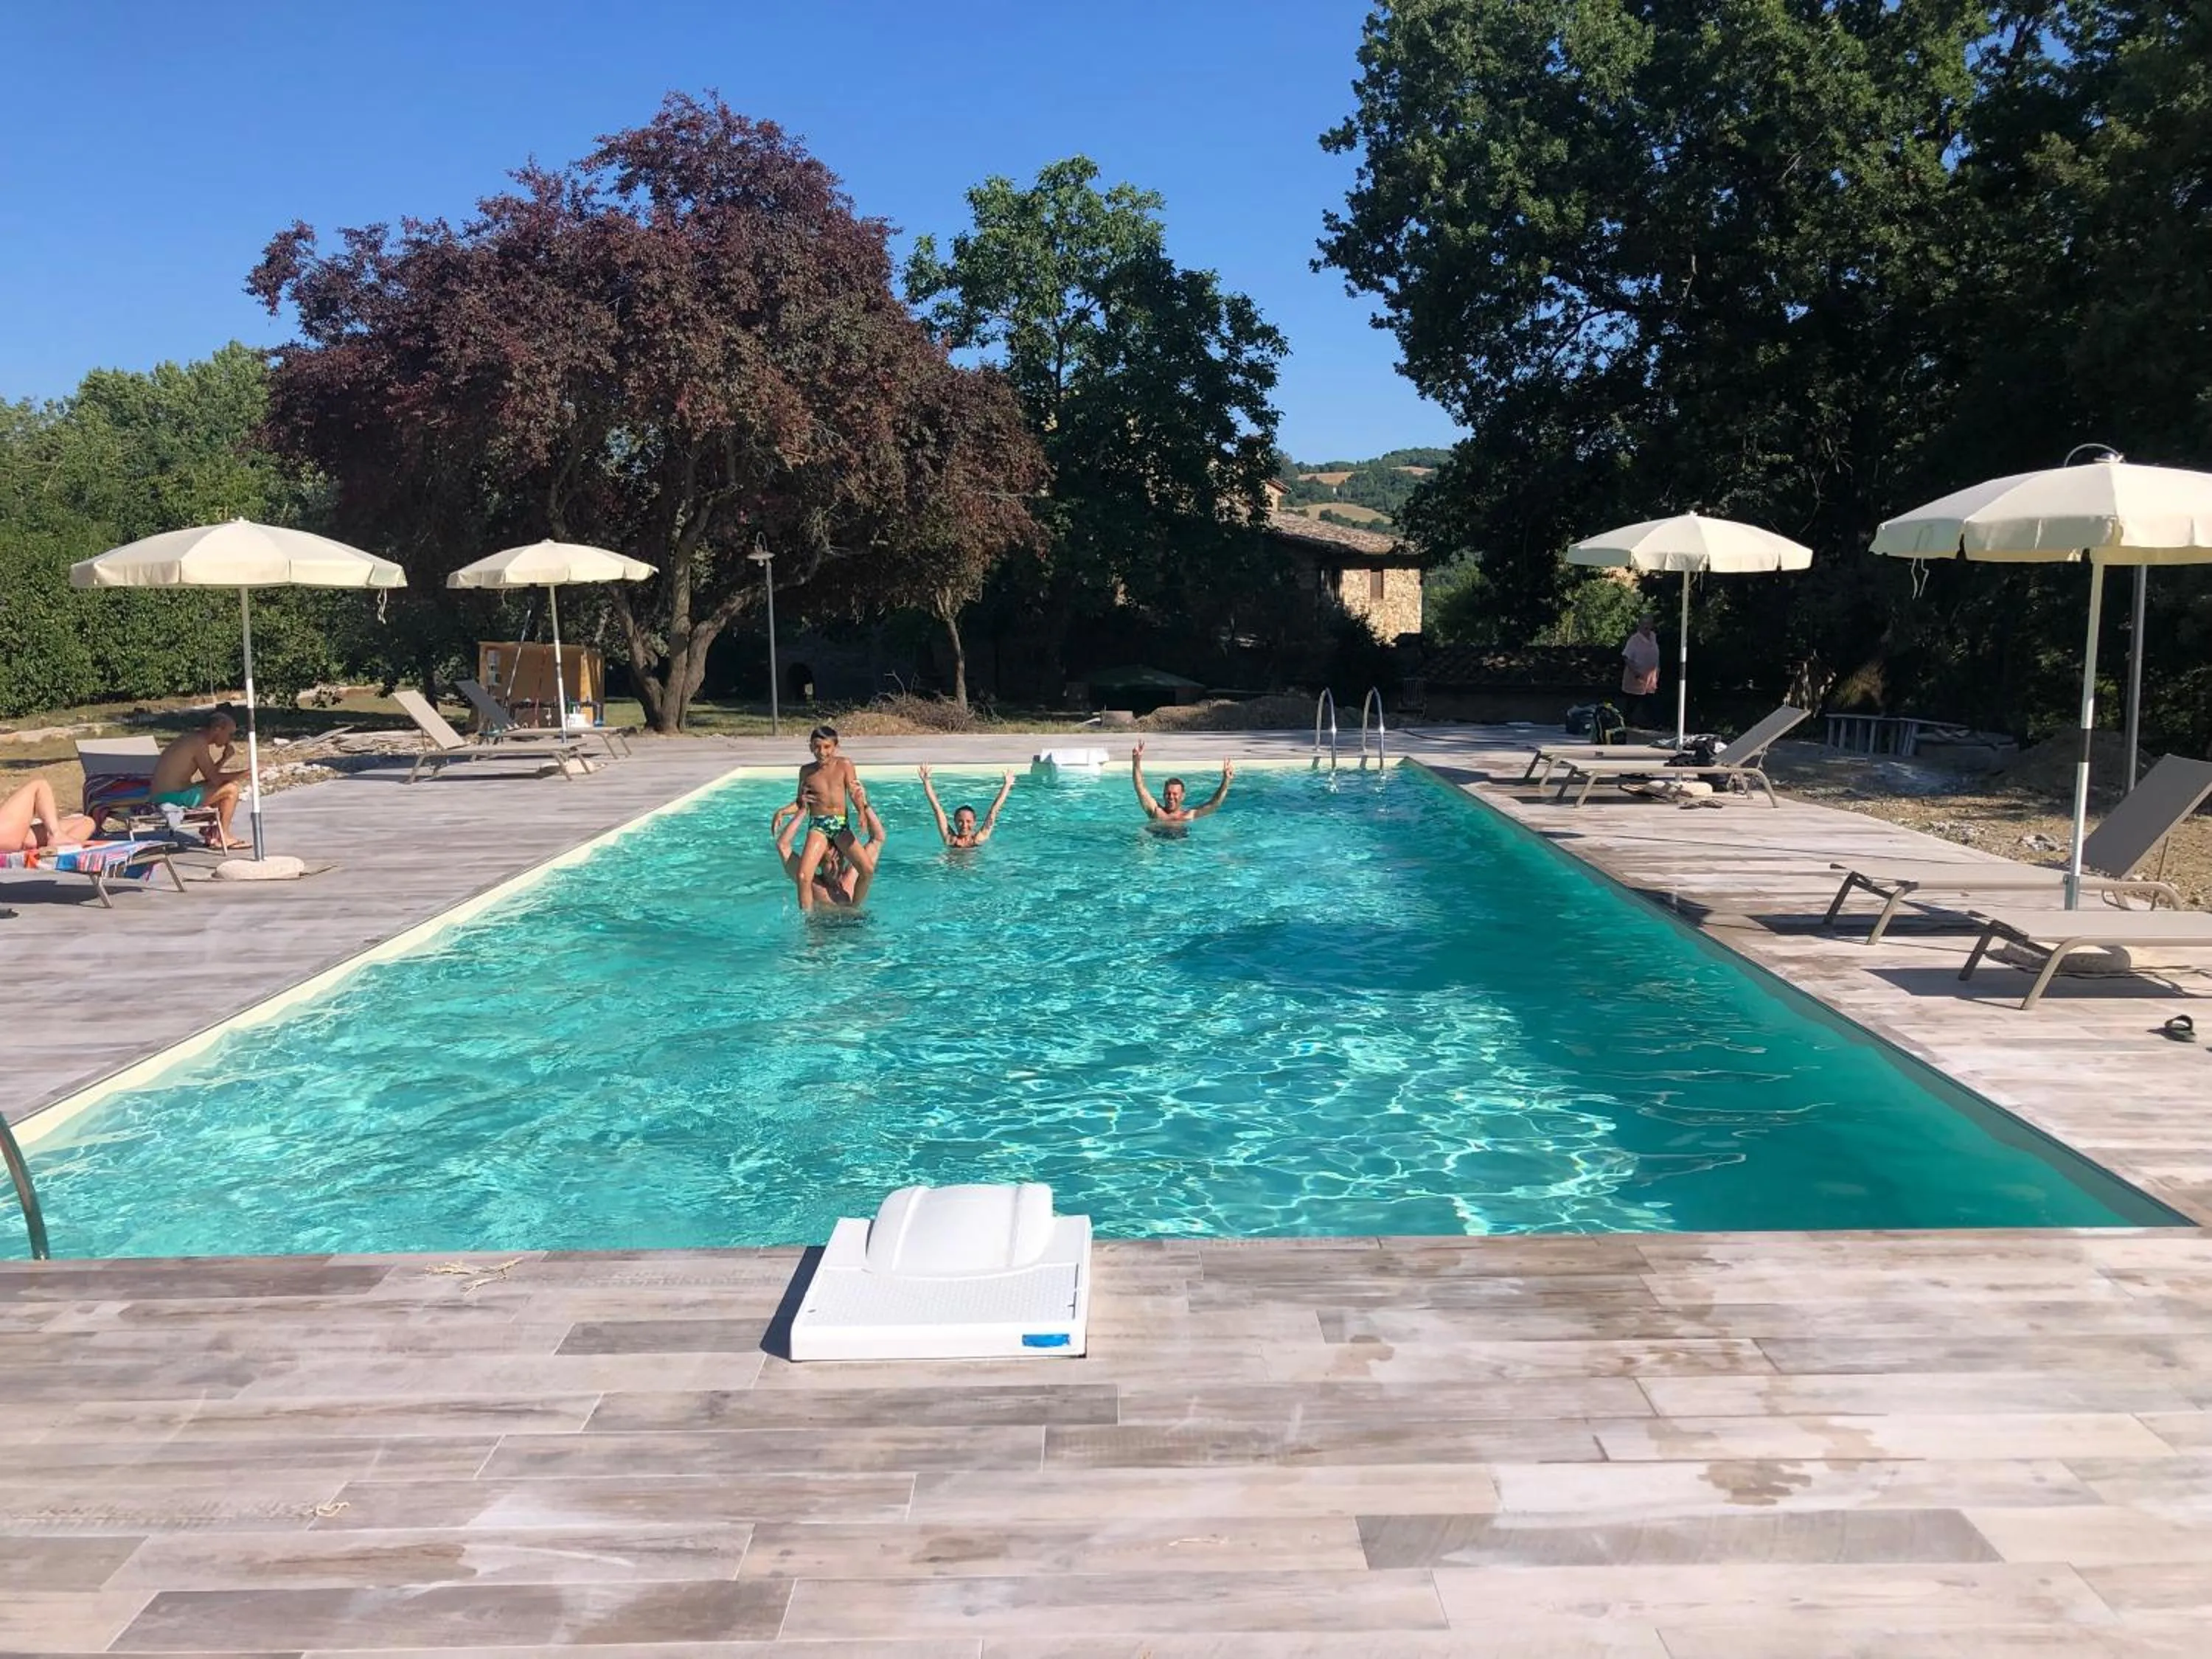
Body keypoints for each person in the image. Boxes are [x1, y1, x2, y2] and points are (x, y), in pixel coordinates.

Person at [147, 706, 250, 849]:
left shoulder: (193, 739)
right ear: (217, 730)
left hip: (165, 793)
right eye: (229, 734)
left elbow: (211, 776)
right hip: (170, 797)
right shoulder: (198, 743)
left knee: (218, 789)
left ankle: (212, 834)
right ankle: (223, 837)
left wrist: (224, 759)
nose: (230, 739)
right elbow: (215, 779)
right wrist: (246, 773)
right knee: (231, 790)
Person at [790, 724, 871, 901]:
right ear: (811, 746)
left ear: (835, 747)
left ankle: (855, 908)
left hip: (840, 825)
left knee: (867, 870)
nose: (821, 752)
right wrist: (782, 811)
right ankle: (808, 921)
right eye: (817, 747)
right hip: (818, 825)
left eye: (827, 747)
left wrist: (862, 813)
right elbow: (800, 801)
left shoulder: (845, 765)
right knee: (803, 877)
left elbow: (854, 792)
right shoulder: (806, 771)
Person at [773, 794, 886, 911]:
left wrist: (864, 805)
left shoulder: (852, 876)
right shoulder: (811, 883)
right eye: (830, 862)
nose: (836, 867)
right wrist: (802, 811)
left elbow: (878, 838)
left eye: (839, 861)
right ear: (819, 863)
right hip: (823, 927)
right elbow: (783, 845)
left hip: (855, 925)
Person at [1132, 740, 1233, 828]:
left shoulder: (1189, 816)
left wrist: (1226, 780)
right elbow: (1140, 789)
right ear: (1163, 795)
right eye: (1168, 793)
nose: (1171, 797)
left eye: (1175, 794)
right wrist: (1136, 762)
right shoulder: (1156, 811)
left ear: (1182, 796)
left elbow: (1214, 804)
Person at [920, 765, 1014, 849]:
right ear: (955, 822)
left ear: (974, 823)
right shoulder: (950, 840)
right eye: (960, 821)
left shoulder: (979, 839)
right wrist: (926, 782)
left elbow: (994, 811)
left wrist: (1007, 785)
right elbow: (937, 810)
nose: (965, 825)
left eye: (968, 821)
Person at [1, 778, 96, 853]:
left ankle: (58, 848)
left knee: (87, 822)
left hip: (11, 838)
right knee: (39, 785)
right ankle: (56, 835)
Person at [1620, 613, 1661, 728]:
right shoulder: (1634, 640)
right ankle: (1627, 722)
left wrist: (1657, 669)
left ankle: (1654, 722)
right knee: (1634, 700)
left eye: (1649, 624)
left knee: (1649, 699)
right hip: (1637, 675)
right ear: (1640, 625)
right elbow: (1626, 657)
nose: (1647, 627)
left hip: (1651, 676)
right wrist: (1635, 672)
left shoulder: (1653, 636)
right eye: (1644, 624)